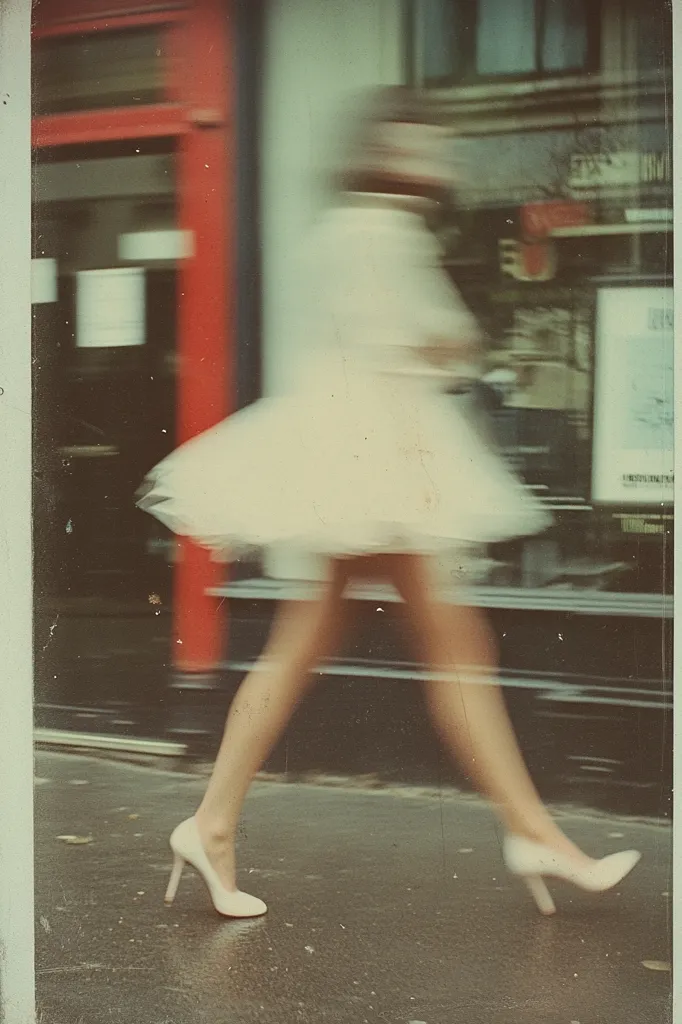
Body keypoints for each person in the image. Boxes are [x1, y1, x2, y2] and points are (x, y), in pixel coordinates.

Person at [138, 87, 639, 920]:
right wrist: (454, 346)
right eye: (419, 147)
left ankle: (212, 822)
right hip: (382, 459)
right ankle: (533, 834)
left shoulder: (339, 230)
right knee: (454, 644)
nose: (434, 161)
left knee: (318, 641)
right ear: (386, 153)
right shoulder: (386, 231)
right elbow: (429, 346)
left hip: (353, 458)